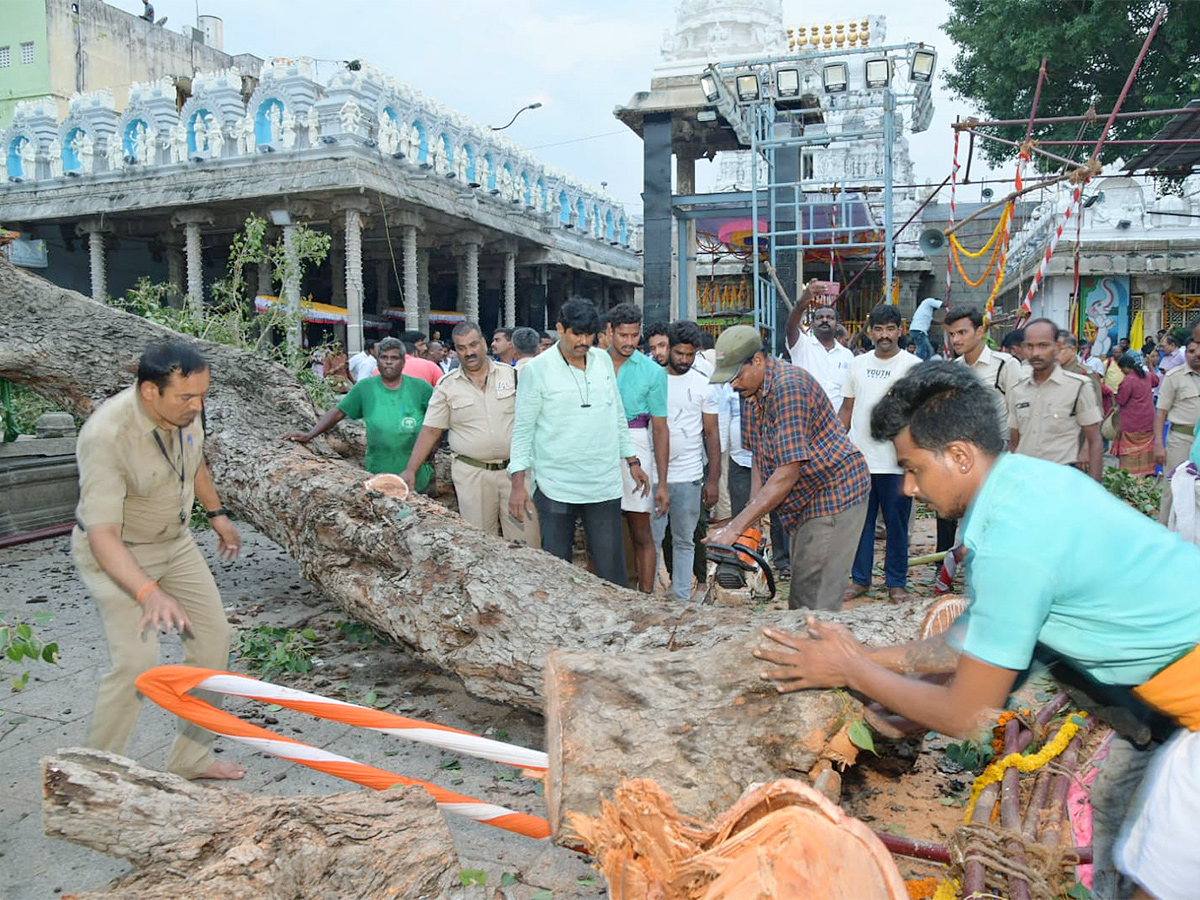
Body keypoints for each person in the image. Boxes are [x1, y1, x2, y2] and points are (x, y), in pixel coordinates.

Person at [753, 361, 1200, 900]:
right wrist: (867, 656)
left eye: (913, 468)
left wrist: (853, 669)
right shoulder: (1029, 484)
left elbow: (967, 712)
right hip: (1167, 703)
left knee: (1158, 879)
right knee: (1123, 823)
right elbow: (963, 643)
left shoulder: (1012, 543)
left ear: (960, 455)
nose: (909, 489)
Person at [73, 341, 244, 781]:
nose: (197, 405)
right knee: (137, 662)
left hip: (177, 543)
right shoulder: (106, 435)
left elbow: (194, 463)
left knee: (213, 642)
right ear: (150, 391)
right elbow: (103, 536)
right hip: (120, 552)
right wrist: (148, 592)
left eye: (203, 395)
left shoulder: (186, 411)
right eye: (186, 397)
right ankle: (94, 777)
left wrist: (217, 514)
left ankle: (191, 760)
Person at [706, 325, 870, 611]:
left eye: (737, 375)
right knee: (802, 588)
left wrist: (735, 527)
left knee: (814, 598)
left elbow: (787, 472)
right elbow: (759, 455)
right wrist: (752, 517)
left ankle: (821, 653)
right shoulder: (750, 391)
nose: (733, 384)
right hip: (804, 500)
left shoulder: (788, 387)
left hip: (834, 494)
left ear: (757, 360)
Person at [508, 298, 649, 586]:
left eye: (589, 335)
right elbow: (523, 428)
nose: (583, 341)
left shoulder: (602, 362)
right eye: (577, 334)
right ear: (560, 329)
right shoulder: (537, 370)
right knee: (557, 573)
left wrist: (632, 460)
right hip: (555, 486)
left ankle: (616, 627)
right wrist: (517, 484)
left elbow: (616, 413)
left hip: (603, 483)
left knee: (611, 571)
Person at [400, 322, 537, 546]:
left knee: (528, 545)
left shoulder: (513, 377)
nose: (469, 352)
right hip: (472, 475)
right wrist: (410, 469)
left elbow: (533, 422)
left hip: (516, 474)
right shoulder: (446, 386)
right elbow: (432, 429)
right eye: (462, 348)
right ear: (455, 350)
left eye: (473, 344)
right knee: (481, 545)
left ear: (484, 343)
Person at [839, 304, 921, 603]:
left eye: (890, 329)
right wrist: (837, 446)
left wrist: (915, 460)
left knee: (897, 527)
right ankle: (860, 580)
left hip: (897, 463)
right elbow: (847, 410)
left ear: (900, 330)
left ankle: (896, 583)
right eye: (878, 329)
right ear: (869, 331)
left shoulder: (913, 366)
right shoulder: (857, 365)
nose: (884, 335)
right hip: (860, 462)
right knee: (861, 525)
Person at [283, 337, 435, 491]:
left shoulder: (421, 388)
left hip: (417, 476)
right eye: (384, 357)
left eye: (394, 358)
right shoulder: (365, 388)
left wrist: (431, 453)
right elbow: (337, 412)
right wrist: (309, 435)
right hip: (378, 473)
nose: (388, 362)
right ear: (377, 361)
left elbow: (437, 423)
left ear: (403, 362)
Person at [941, 304, 1020, 554]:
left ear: (980, 331)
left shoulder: (1004, 365)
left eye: (962, 332)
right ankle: (953, 569)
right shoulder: (955, 369)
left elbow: (1018, 413)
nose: (956, 339)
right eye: (952, 334)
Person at [652, 320, 720, 602]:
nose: (683, 360)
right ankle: (650, 594)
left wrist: (713, 479)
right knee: (653, 541)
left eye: (689, 354)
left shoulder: (704, 384)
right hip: (654, 478)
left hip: (690, 477)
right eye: (679, 353)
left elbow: (712, 434)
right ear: (668, 348)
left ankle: (680, 596)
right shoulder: (652, 380)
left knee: (684, 540)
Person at [605, 303, 670, 593]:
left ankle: (645, 597)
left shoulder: (652, 372)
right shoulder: (594, 362)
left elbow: (660, 428)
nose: (630, 342)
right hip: (597, 445)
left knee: (640, 528)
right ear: (610, 332)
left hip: (637, 444)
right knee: (601, 528)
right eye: (623, 335)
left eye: (634, 335)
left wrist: (663, 484)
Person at [1008, 319, 1103, 481]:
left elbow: (1094, 440)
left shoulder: (1079, 386)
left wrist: (1094, 491)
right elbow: (1014, 442)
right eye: (1029, 346)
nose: (1035, 353)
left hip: (1062, 480)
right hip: (1026, 480)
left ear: (1057, 347)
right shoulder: (1018, 390)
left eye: (1043, 345)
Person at [784, 280, 855, 412]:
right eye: (819, 317)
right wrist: (802, 303)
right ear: (812, 323)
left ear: (837, 324)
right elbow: (790, 328)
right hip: (805, 420)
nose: (824, 320)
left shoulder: (847, 355)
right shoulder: (802, 345)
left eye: (829, 317)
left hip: (837, 425)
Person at [1154, 337, 1200, 523]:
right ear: (1185, 353)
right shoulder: (1174, 377)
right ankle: (1166, 533)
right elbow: (1161, 412)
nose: (1196, 355)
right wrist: (1158, 444)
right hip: (1181, 440)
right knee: (1174, 488)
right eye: (1191, 351)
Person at [1112, 352, 1158, 476]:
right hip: (1148, 420)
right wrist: (1151, 366)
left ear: (1126, 367)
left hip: (1131, 421)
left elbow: (1121, 400)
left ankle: (1130, 475)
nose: (1122, 371)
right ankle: (1145, 473)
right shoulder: (1147, 375)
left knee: (1130, 454)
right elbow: (1156, 381)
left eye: (1122, 368)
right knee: (1144, 451)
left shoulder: (1128, 380)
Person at [908, 297, 944, 361]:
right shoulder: (929, 301)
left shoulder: (926, 310)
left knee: (928, 351)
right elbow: (943, 304)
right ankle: (919, 365)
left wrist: (942, 322)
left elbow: (932, 321)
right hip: (918, 331)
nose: (935, 310)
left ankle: (925, 364)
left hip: (918, 331)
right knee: (922, 351)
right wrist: (948, 296)